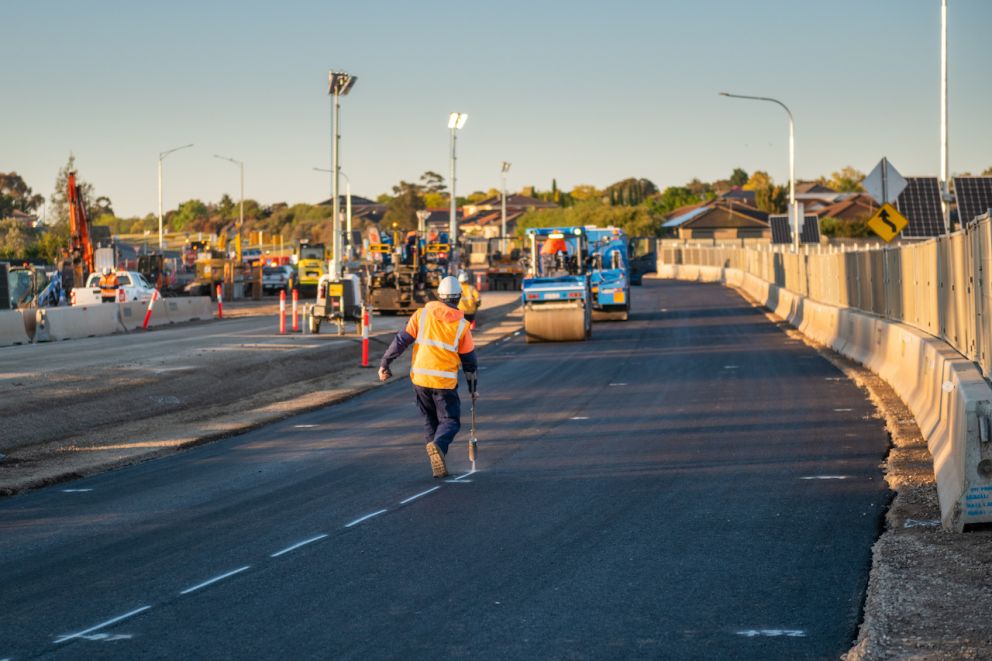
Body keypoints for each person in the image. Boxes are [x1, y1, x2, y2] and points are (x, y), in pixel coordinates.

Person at [378, 275, 478, 478]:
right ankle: (439, 447)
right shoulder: (461, 326)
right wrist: (473, 389)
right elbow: (469, 362)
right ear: (458, 297)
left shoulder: (421, 315)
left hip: (420, 379)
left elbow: (400, 341)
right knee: (450, 421)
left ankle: (437, 462)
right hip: (443, 382)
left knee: (430, 422)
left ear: (439, 296)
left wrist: (385, 363)